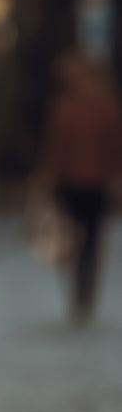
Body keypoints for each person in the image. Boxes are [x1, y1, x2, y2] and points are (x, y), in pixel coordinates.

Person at [33, 48, 122, 324]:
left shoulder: (104, 105)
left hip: (95, 183)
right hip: (68, 182)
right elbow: (55, 147)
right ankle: (78, 294)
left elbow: (114, 146)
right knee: (71, 242)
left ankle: (86, 295)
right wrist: (47, 177)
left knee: (92, 241)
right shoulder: (64, 105)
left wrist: (116, 177)